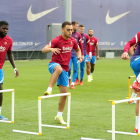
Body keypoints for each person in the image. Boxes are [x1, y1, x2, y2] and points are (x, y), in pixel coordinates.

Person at [42, 21, 82, 124]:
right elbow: (44, 49)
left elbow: (78, 50)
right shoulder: (56, 40)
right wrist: (51, 49)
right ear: (62, 29)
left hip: (65, 70)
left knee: (65, 95)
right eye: (68, 30)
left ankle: (59, 116)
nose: (70, 32)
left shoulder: (73, 41)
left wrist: (79, 56)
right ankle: (49, 89)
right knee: (58, 69)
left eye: (71, 30)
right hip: (54, 65)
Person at [0, 21, 19, 120]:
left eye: (7, 29)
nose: (5, 30)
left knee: (0, 90)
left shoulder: (9, 40)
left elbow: (10, 54)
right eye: (3, 28)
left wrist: (14, 68)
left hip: (0, 68)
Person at [121, 31, 140, 132]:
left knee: (139, 98)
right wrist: (125, 51)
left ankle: (137, 126)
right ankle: (136, 82)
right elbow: (129, 43)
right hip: (136, 61)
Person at [68, 21, 84, 89]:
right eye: (77, 26)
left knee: (75, 69)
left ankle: (72, 84)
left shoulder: (78, 35)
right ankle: (69, 79)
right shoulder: (68, 33)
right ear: (73, 26)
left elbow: (80, 45)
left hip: (76, 55)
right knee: (68, 69)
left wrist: (82, 54)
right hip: (68, 54)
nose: (77, 27)